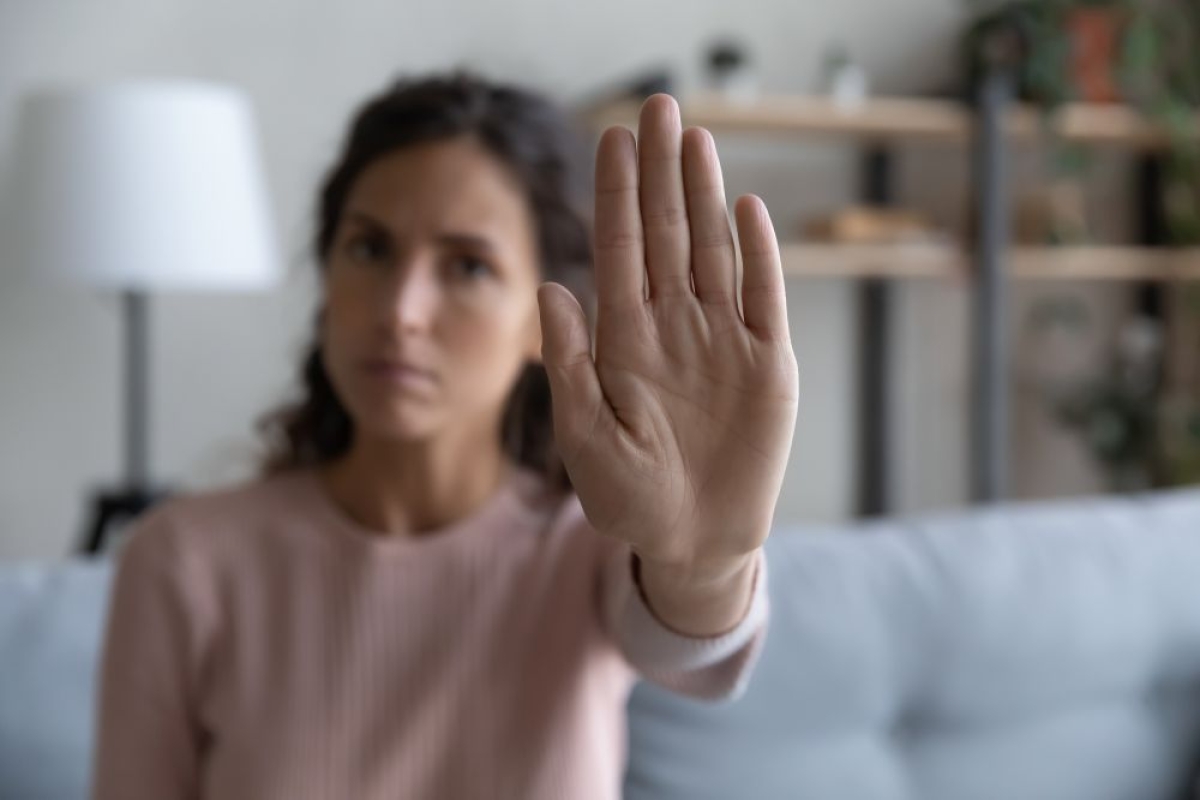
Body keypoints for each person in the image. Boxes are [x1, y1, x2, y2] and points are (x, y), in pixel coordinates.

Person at [92, 71, 799, 800]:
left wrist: (703, 559)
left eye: (467, 266)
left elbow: (691, 650)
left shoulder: (587, 543)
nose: (401, 310)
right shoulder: (185, 561)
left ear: (545, 321)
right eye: (370, 249)